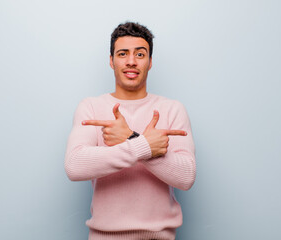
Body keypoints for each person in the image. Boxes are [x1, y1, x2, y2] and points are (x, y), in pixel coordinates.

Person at [65, 22, 196, 240]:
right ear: (111, 61)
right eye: (123, 53)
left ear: (150, 62)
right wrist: (143, 145)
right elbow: (74, 165)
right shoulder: (90, 107)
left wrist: (128, 137)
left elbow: (186, 176)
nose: (131, 61)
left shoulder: (172, 109)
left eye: (140, 54)